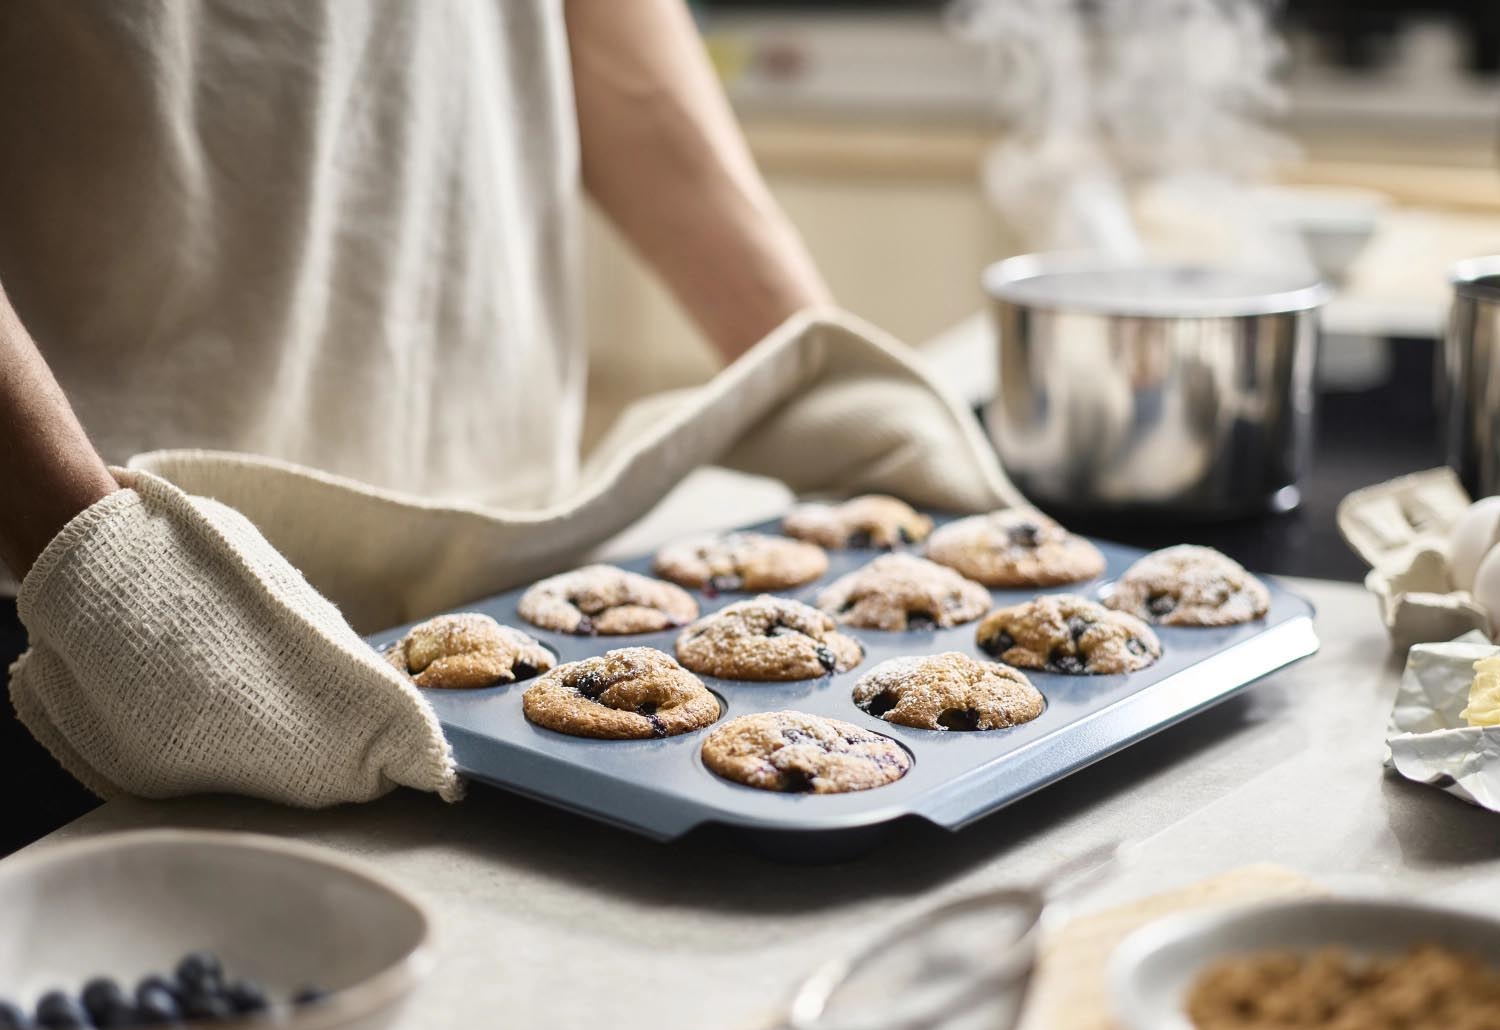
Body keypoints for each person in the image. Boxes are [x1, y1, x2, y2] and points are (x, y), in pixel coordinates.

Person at [1, 1, 1011, 852]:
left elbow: (607, 37)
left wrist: (808, 361)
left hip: (512, 562)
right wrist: (81, 543)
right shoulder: (97, 578)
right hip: (106, 602)